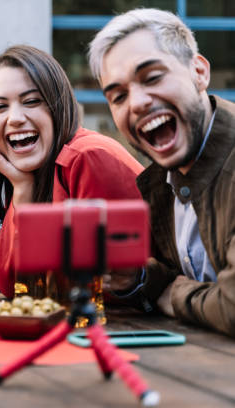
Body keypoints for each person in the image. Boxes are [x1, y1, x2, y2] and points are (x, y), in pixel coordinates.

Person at [88, 8, 235, 337]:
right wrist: (137, 278)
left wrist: (170, 292)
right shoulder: (158, 182)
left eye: (152, 77)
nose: (137, 103)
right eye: (119, 96)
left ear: (199, 72)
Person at [0, 45, 144, 299]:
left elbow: (89, 283)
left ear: (57, 106)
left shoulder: (89, 157)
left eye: (31, 101)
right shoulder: (30, 176)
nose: (15, 118)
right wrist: (22, 187)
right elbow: (14, 284)